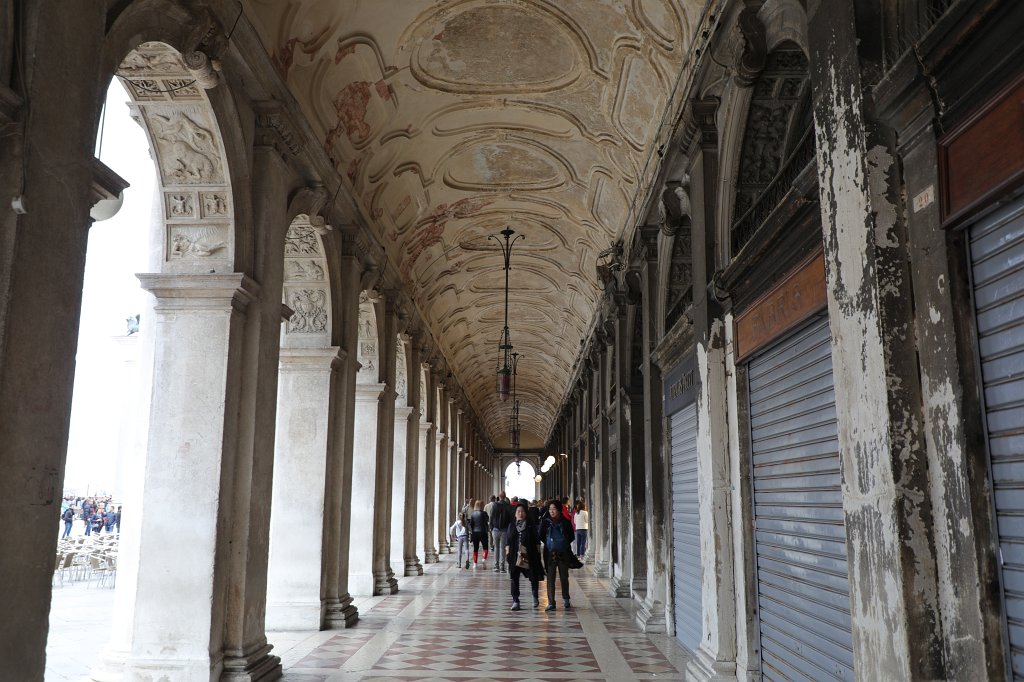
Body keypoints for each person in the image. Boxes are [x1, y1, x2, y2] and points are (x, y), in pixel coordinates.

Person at [506, 503, 544, 610]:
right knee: (514, 577)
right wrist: (508, 555)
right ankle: (515, 600)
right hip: (515, 555)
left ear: (526, 513)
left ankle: (535, 596)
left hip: (529, 555)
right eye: (518, 511)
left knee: (533, 576)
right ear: (515, 514)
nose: (520, 513)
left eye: (522, 511)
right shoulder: (512, 526)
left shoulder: (530, 526)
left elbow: (537, 541)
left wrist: (538, 555)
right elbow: (508, 542)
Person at [539, 500, 575, 611]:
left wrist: (561, 543)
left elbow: (571, 536)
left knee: (564, 576)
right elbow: (540, 535)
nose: (551, 511)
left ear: (559, 510)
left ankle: (566, 598)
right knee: (550, 578)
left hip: (563, 553)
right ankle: (551, 602)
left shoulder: (565, 522)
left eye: (554, 509)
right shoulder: (545, 522)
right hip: (550, 553)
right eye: (550, 509)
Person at [490, 496, 512, 573]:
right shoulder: (508, 506)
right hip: (504, 530)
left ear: (499, 497)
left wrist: (491, 527)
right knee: (502, 548)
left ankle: (496, 566)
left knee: (496, 548)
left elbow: (491, 517)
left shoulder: (495, 505)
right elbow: (510, 519)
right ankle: (502, 567)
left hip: (495, 529)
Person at [469, 500, 489, 568]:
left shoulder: (473, 514)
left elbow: (471, 524)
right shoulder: (484, 513)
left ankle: (475, 564)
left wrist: (471, 533)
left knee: (475, 548)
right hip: (483, 532)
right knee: (485, 547)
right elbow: (487, 520)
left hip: (475, 533)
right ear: (481, 506)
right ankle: (483, 559)